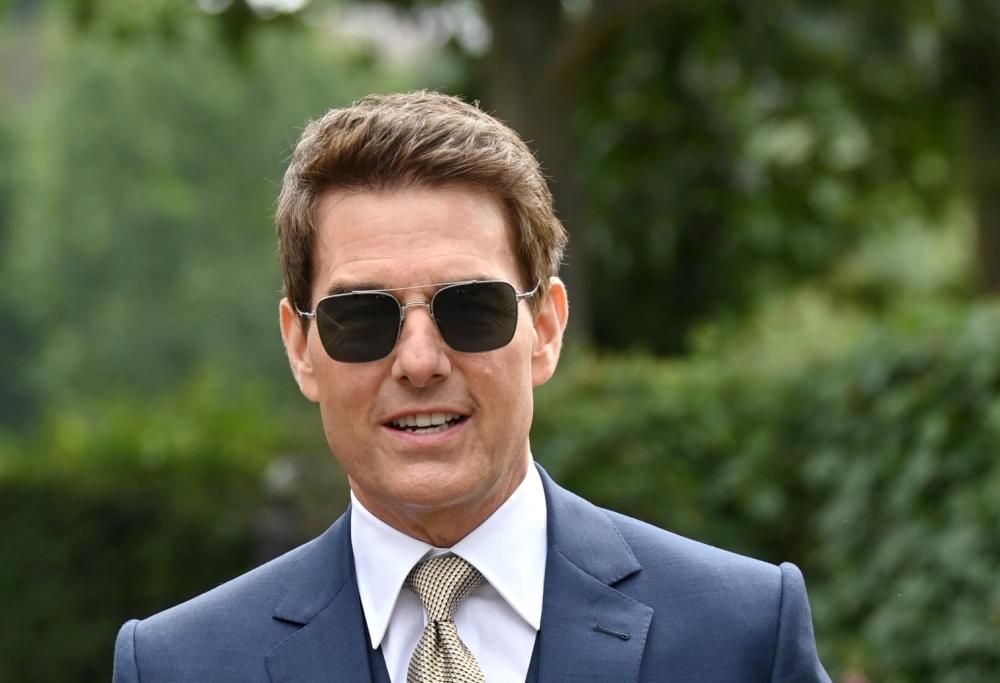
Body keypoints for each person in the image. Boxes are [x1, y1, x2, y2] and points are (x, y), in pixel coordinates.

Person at [113, 91, 830, 682]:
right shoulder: (179, 666)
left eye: (471, 308)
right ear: (301, 347)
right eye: (362, 317)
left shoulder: (741, 635)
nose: (420, 361)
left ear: (545, 329)